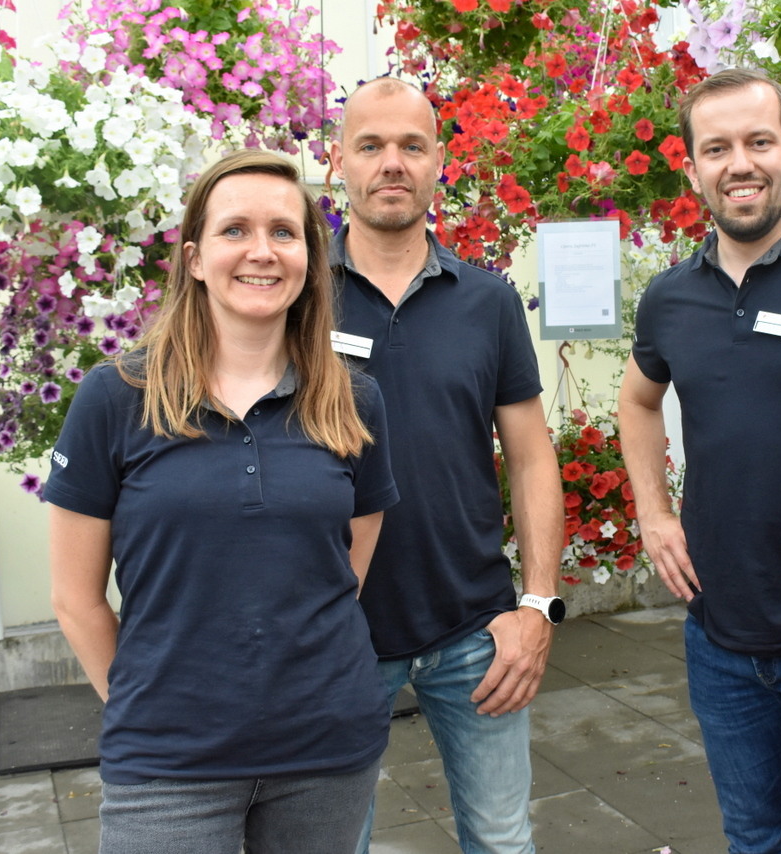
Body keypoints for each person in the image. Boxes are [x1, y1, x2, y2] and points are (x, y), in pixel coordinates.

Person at [47, 149, 399, 853]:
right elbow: (76, 599)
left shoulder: (353, 400)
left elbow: (345, 572)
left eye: (284, 232)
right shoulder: (116, 398)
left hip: (327, 750)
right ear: (195, 259)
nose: (261, 251)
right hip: (167, 766)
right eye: (235, 230)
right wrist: (148, 707)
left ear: (309, 259)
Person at [618, 68, 781, 853]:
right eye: (717, 148)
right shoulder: (670, 296)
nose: (740, 164)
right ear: (693, 167)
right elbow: (637, 402)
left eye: (759, 142)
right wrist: (653, 512)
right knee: (755, 840)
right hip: (719, 634)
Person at [328, 77, 564, 854]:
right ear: (337, 161)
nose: (391, 163)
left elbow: (531, 457)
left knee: (502, 841)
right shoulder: (296, 297)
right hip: (336, 632)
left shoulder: (487, 302)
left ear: (438, 163)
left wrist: (538, 606)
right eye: (370, 146)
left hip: (475, 632)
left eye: (412, 146)